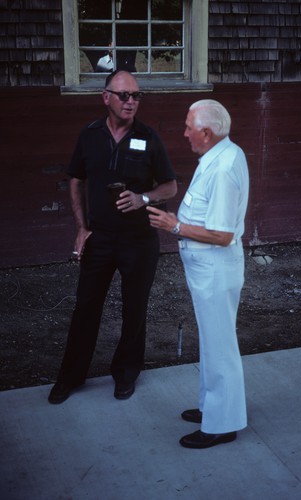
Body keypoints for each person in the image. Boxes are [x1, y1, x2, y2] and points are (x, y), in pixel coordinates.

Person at [48, 70, 177, 404]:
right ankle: (70, 377)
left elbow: (170, 185)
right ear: (106, 97)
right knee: (86, 308)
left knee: (135, 310)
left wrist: (143, 198)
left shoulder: (148, 138)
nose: (131, 102)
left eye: (136, 96)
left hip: (139, 240)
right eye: (124, 95)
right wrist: (81, 228)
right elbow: (75, 179)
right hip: (100, 239)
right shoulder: (89, 135)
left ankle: (125, 375)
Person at [147, 99, 249, 449]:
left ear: (206, 133)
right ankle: (212, 406)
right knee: (213, 342)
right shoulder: (223, 155)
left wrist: (175, 227)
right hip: (209, 270)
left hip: (216, 270)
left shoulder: (222, 168)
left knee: (220, 346)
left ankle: (223, 423)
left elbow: (221, 235)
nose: (185, 132)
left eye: (189, 126)